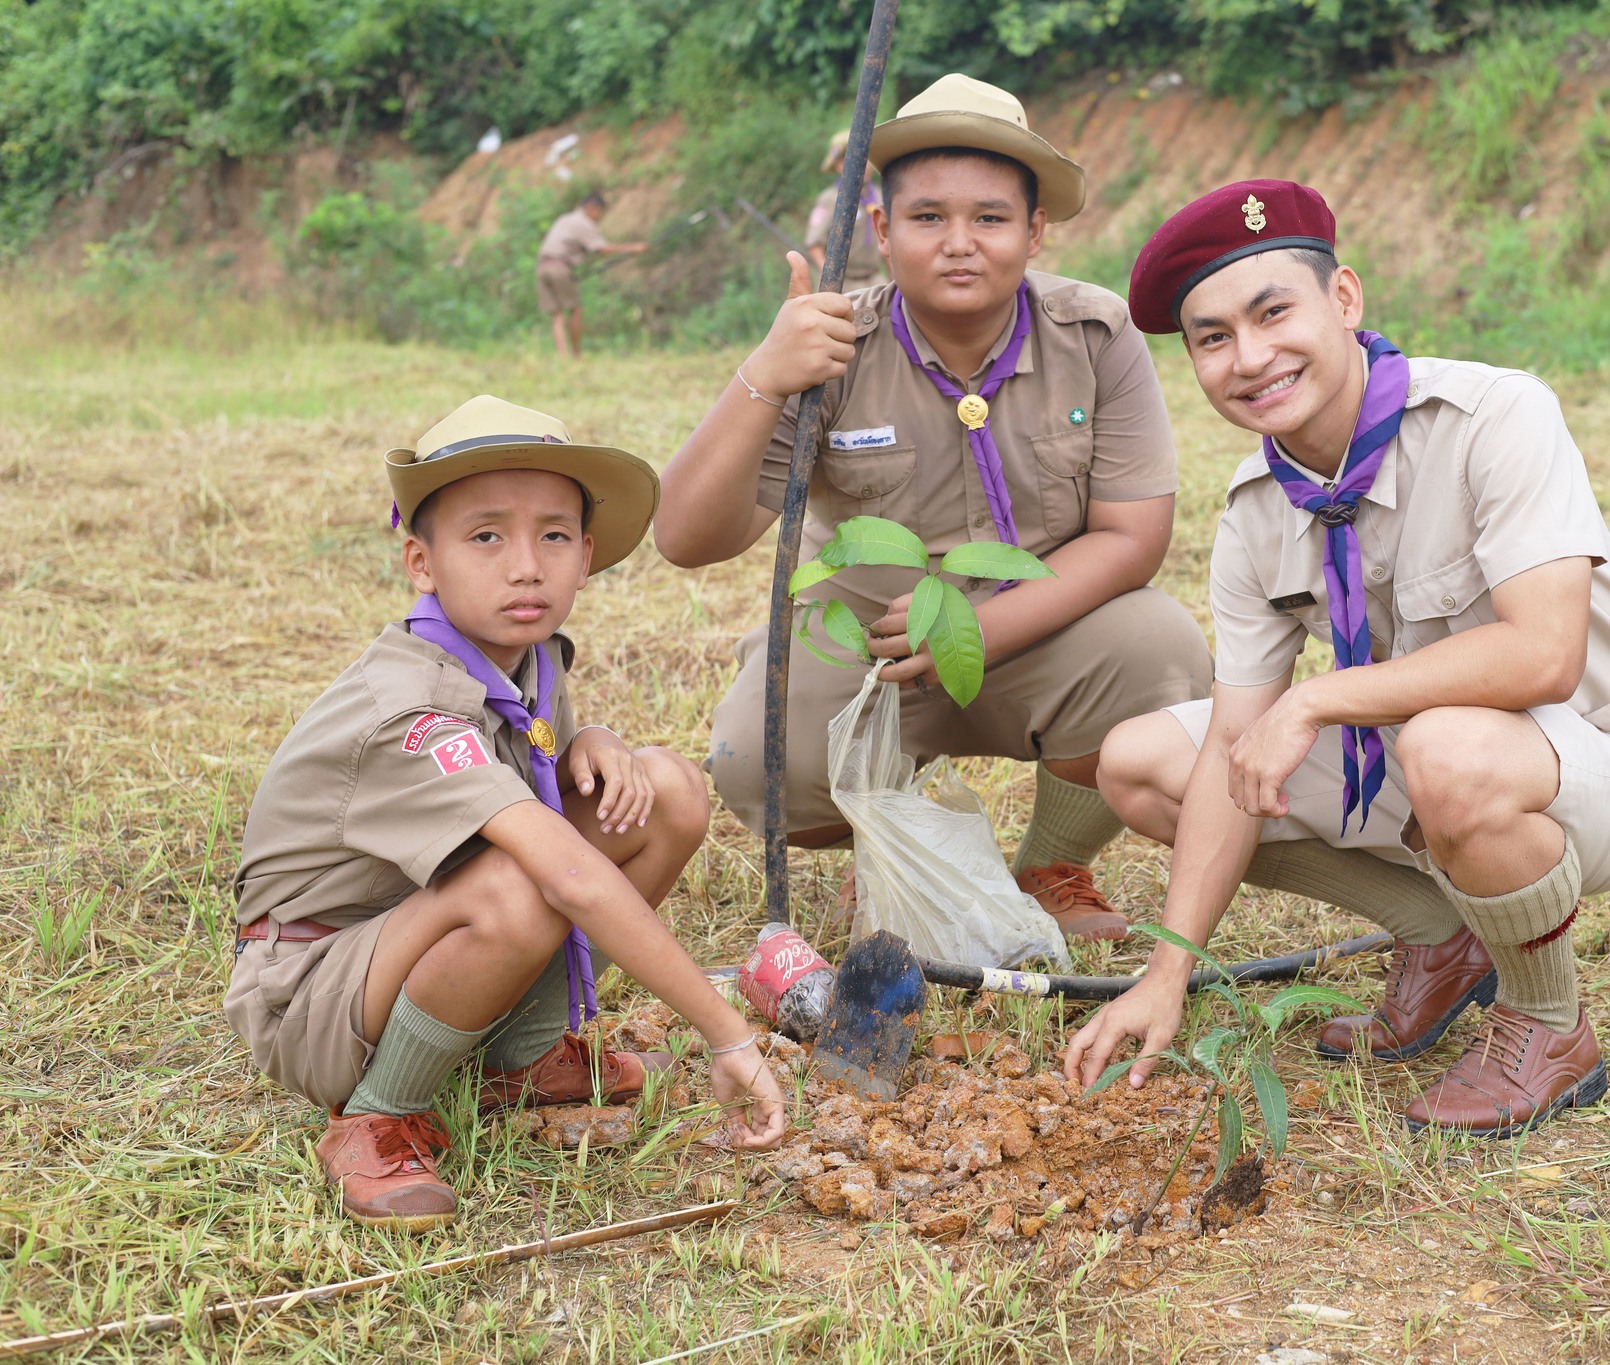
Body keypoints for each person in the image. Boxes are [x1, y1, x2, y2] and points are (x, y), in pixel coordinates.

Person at [1061, 181, 1610, 1138]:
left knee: (1448, 749)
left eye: (1274, 313)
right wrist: (1166, 971)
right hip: (1422, 765)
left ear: (1344, 299)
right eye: (1213, 337)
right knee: (1142, 764)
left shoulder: (1495, 416)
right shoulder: (1256, 510)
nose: (1251, 357)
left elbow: (1544, 655)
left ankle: (1547, 1022)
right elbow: (1234, 743)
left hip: (1596, 760)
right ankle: (1441, 934)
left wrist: (1318, 697)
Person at [655, 74, 1212, 943]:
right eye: (927, 217)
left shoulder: (1095, 334)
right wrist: (764, 374)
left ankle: (1050, 867)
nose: (960, 243)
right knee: (757, 760)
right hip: (874, 648)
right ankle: (893, 849)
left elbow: (1132, 537)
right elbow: (686, 539)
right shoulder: (832, 345)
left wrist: (976, 632)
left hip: (1041, 630)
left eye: (990, 218)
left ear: (1034, 231)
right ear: (881, 230)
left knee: (1163, 653)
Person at [226, 395, 784, 1230]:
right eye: (486, 536)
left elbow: (531, 771)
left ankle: (519, 1056)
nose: (526, 566)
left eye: (553, 535)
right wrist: (725, 1031)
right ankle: (377, 1114)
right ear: (422, 562)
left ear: (586, 555)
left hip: (413, 927)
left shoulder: (529, 655)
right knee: (520, 884)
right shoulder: (409, 707)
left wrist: (589, 739)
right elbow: (565, 871)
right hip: (308, 991)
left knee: (664, 789)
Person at [536, 192, 648, 359]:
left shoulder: (565, 219)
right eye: (600, 213)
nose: (599, 218)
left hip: (542, 267)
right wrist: (633, 248)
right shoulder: (583, 223)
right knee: (575, 309)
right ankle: (576, 355)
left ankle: (562, 356)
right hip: (559, 267)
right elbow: (601, 249)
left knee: (557, 314)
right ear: (591, 208)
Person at [807, 129, 889, 293]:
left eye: (867, 158)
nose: (865, 165)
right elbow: (814, 244)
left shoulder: (880, 196)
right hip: (844, 282)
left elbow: (888, 240)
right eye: (858, 158)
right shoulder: (831, 199)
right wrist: (830, 278)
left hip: (874, 279)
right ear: (839, 165)